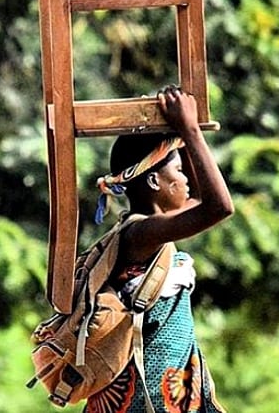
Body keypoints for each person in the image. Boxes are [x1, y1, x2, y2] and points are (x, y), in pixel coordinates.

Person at [86, 85, 234, 413]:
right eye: (179, 171)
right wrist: (189, 129)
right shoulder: (141, 232)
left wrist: (180, 133)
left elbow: (200, 199)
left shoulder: (146, 232)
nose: (186, 181)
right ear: (154, 182)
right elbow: (218, 207)